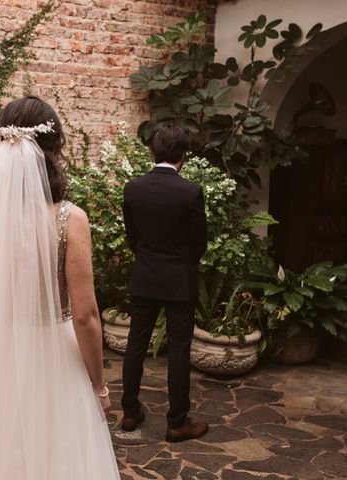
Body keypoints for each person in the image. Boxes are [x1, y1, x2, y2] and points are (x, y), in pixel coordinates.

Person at [0, 96, 121, 479]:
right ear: (52, 151)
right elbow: (85, 315)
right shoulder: (69, 219)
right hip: (57, 365)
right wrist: (98, 385)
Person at [120, 124, 208, 442]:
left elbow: (133, 236)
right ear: (183, 155)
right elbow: (200, 243)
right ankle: (177, 422)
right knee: (179, 350)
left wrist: (147, 258)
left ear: (152, 151)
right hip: (179, 280)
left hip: (144, 276)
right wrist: (181, 262)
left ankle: (130, 411)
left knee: (135, 344)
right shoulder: (191, 192)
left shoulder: (133, 188)